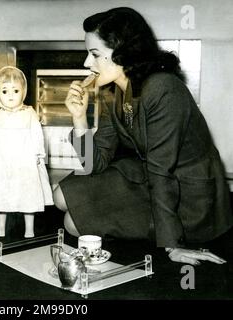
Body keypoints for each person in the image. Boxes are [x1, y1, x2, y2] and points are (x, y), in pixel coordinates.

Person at [53, 7, 233, 265]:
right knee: (60, 195)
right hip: (147, 177)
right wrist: (79, 118)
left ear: (124, 52)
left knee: (73, 224)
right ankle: (125, 221)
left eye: (94, 55)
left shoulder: (164, 90)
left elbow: (163, 172)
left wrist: (173, 246)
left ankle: (147, 228)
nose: (86, 63)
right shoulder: (114, 91)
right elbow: (94, 165)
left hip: (189, 196)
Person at [0, 66, 53, 238]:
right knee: (2, 194)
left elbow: (37, 135)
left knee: (27, 194)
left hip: (25, 162)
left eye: (15, 90)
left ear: (24, 92)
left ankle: (29, 228)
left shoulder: (29, 113)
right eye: (5, 91)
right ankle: (0, 227)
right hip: (3, 162)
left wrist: (38, 154)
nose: (11, 95)